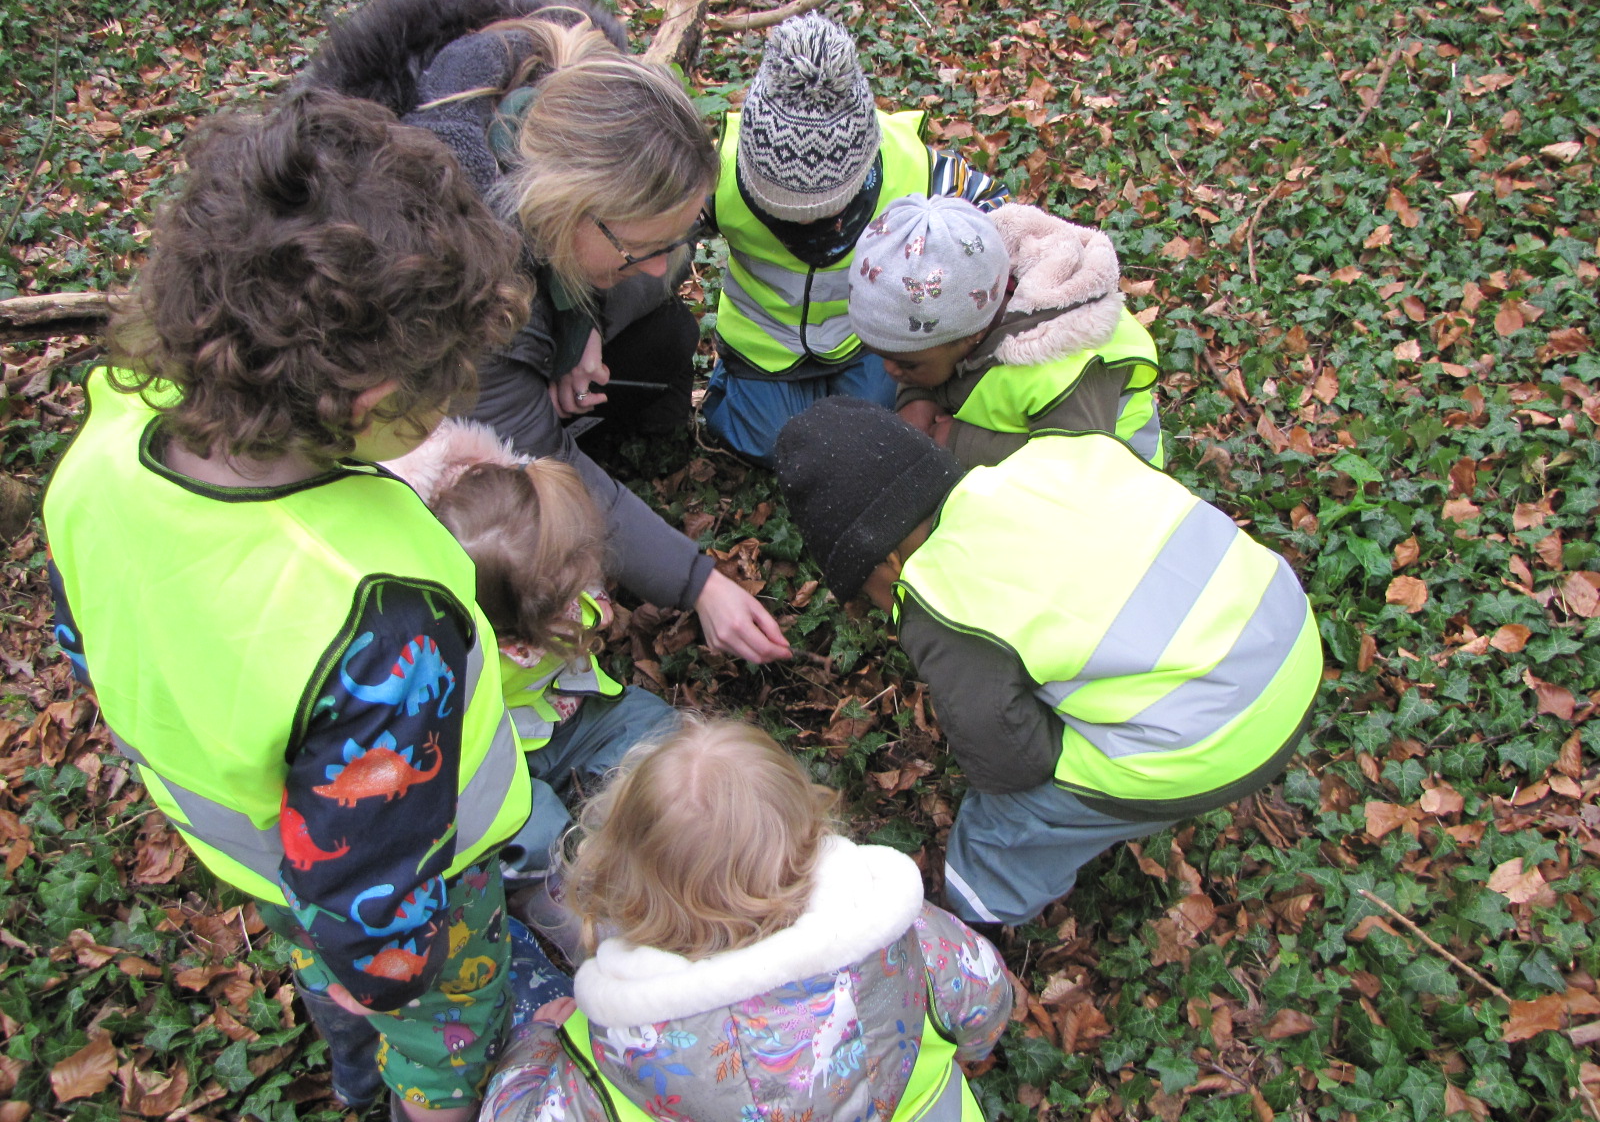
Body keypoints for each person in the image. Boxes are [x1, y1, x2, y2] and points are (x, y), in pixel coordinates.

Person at [42, 90, 556, 1119]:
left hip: (256, 863)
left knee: (328, 980)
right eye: (441, 385)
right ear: (371, 402)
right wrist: (394, 976)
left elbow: (82, 634)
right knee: (440, 1047)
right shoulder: (377, 614)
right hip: (418, 908)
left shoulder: (104, 447)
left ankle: (354, 1072)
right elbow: (374, 886)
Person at [304, 0, 790, 664]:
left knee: (664, 337)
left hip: (529, 315)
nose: (665, 265)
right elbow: (539, 450)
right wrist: (698, 583)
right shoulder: (459, 289)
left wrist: (580, 322)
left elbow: (642, 267)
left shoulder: (560, 113)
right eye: (641, 248)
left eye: (677, 238)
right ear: (566, 213)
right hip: (413, 425)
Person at [775, 398, 1321, 928]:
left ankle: (981, 908)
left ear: (888, 562)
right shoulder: (1047, 458)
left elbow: (1011, 758)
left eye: (865, 591)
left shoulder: (939, 594)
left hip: (1220, 740)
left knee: (1004, 824)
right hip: (1286, 626)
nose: (874, 606)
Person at [479, 715, 1011, 1122]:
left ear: (623, 887)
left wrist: (535, 1044)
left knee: (520, 986)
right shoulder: (903, 933)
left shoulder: (618, 1049)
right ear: (810, 832)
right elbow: (987, 1001)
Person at [384, 419, 677, 938]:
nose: (581, 600)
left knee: (656, 726)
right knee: (530, 834)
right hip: (498, 760)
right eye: (563, 599)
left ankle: (639, 823)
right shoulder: (446, 650)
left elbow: (586, 610)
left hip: (573, 718)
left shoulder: (549, 573)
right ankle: (577, 911)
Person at [702, 12, 1011, 467]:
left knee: (878, 434)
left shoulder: (913, 167)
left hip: (867, 342)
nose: (807, 228)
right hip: (763, 345)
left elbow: (998, 211)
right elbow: (655, 231)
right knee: (772, 445)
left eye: (828, 212)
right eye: (781, 211)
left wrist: (952, 303)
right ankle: (741, 390)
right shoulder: (714, 173)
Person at [849, 194, 1165, 469]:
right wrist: (916, 397)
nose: (890, 371)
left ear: (970, 336)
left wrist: (962, 442)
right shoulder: (967, 288)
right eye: (881, 354)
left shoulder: (1064, 371)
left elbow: (1075, 466)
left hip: (1111, 477)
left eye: (907, 365)